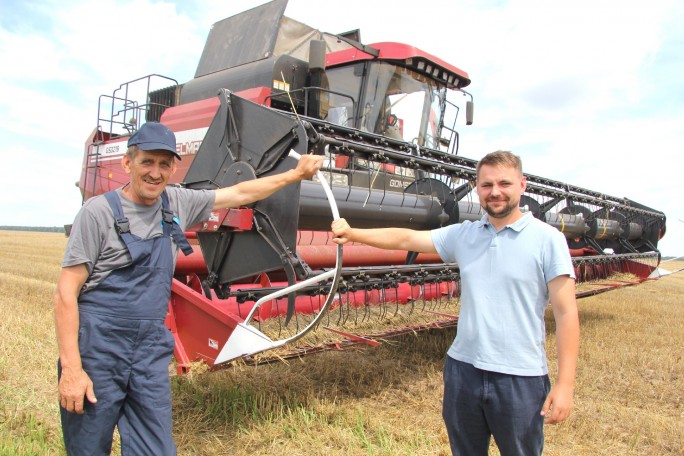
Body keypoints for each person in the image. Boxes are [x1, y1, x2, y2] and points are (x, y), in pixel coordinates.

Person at [54, 121, 323, 455]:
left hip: (148, 353)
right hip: (98, 351)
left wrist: (294, 175)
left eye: (164, 164)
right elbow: (66, 293)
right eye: (146, 162)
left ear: (173, 168)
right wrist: (72, 370)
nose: (155, 173)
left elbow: (239, 193)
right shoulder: (97, 214)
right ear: (128, 163)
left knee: (156, 450)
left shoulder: (176, 202)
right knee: (88, 448)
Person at [331, 151, 579, 456]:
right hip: (464, 371)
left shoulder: (548, 239)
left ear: (522, 185)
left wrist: (565, 385)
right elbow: (407, 239)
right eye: (487, 185)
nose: (495, 192)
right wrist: (353, 233)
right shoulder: (465, 234)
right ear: (477, 188)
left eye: (504, 183)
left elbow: (567, 313)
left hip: (521, 378)